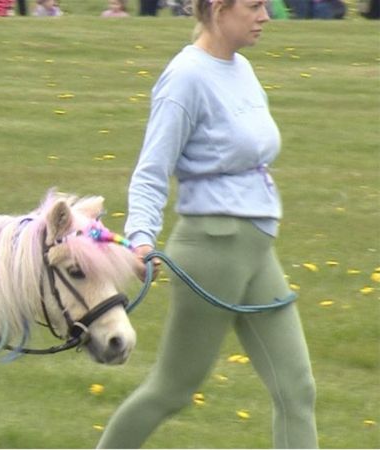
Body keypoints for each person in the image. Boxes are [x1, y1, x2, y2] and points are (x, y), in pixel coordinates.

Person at [96, 0, 318, 447]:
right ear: (218, 9)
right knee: (172, 389)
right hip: (212, 250)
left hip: (256, 250)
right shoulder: (186, 78)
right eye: (254, 5)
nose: (265, 16)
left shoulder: (242, 69)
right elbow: (151, 170)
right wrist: (140, 239)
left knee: (298, 391)